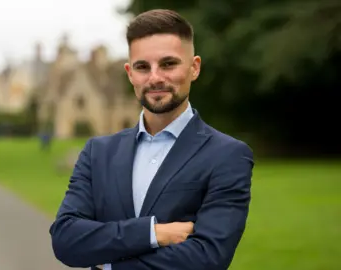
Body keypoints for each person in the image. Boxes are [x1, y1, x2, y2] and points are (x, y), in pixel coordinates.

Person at [49, 9, 254, 270]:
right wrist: (154, 233)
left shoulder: (227, 155)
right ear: (130, 73)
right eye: (143, 67)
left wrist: (109, 264)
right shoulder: (97, 152)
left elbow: (208, 258)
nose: (155, 77)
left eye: (168, 64)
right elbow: (66, 240)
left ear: (194, 68)